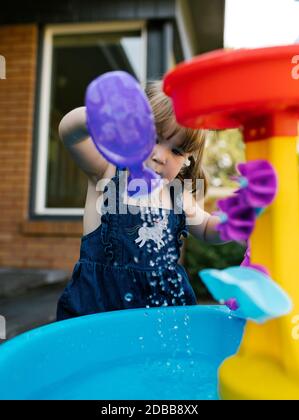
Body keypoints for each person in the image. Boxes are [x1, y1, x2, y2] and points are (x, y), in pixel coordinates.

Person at [56, 80, 225, 321]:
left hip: (163, 310)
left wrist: (234, 224)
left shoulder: (178, 193)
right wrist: (102, 116)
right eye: (152, 138)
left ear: (188, 159)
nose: (159, 156)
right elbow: (69, 133)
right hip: (99, 306)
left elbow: (207, 229)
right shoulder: (106, 171)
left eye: (176, 152)